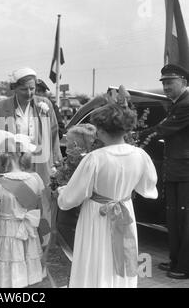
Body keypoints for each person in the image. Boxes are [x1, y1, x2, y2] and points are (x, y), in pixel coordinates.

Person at [57, 103, 158, 288]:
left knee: (96, 255)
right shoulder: (140, 155)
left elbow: (69, 199)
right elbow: (148, 189)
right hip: (125, 209)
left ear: (101, 130)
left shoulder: (95, 158)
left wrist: (62, 192)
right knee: (121, 255)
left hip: (97, 215)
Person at [0, 67, 62, 246]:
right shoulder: (2, 107)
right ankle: (16, 249)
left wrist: (55, 162)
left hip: (40, 163)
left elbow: (54, 133)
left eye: (32, 88)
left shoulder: (45, 104)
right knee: (15, 207)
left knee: (42, 206)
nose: (29, 93)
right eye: (24, 89)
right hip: (13, 164)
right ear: (14, 88)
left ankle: (40, 251)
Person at [141, 64, 189, 279]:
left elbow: (163, 129)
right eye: (164, 83)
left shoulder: (185, 104)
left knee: (184, 218)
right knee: (174, 217)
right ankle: (177, 260)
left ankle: (184, 266)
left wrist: (132, 135)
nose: (167, 87)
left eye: (170, 82)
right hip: (176, 170)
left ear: (184, 82)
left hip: (185, 172)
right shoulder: (177, 103)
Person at [0, 135, 45, 288]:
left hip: (3, 233)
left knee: (4, 270)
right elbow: (38, 211)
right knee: (24, 269)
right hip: (27, 233)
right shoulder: (35, 180)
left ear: (2, 158)